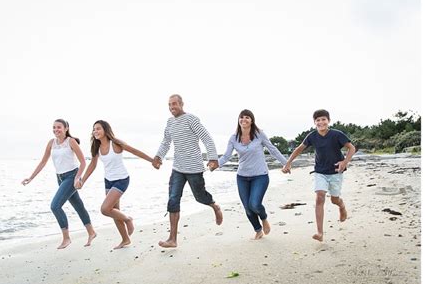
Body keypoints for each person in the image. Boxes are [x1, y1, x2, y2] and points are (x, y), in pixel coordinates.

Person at [152, 94, 223, 248]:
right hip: (177, 168)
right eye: (169, 105)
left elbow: (207, 138)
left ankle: (214, 205)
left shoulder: (191, 119)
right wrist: (158, 156)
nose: (172, 107)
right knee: (173, 200)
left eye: (175, 104)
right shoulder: (170, 122)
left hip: (194, 167)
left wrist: (213, 159)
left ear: (182, 104)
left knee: (200, 197)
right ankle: (172, 239)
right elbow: (166, 142)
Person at [78, 120, 154, 249]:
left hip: (122, 179)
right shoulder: (97, 147)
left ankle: (128, 219)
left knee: (105, 209)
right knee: (114, 211)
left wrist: (152, 161)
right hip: (108, 181)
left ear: (105, 130)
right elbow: (92, 165)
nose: (95, 131)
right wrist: (82, 180)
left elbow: (134, 151)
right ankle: (125, 239)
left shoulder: (116, 143)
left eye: (98, 129)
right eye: (94, 129)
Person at [212, 109, 288, 240]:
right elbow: (226, 156)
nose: (244, 120)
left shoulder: (259, 135)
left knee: (254, 204)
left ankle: (264, 218)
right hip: (242, 177)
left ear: (252, 121)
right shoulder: (233, 138)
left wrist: (286, 163)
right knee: (247, 208)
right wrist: (216, 164)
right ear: (238, 120)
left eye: (247, 117)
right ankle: (258, 230)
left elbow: (272, 149)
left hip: (260, 175)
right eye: (241, 117)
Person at [282, 109, 356, 242]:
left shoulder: (337, 134)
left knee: (334, 199)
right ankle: (320, 233)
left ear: (328, 121)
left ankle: (342, 206)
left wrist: (345, 162)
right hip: (320, 172)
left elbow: (352, 148)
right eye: (318, 120)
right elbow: (299, 149)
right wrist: (288, 163)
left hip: (335, 172)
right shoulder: (312, 136)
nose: (321, 122)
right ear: (314, 122)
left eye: (323, 119)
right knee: (320, 197)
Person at [22, 119, 97, 249]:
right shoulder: (51, 143)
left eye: (59, 127)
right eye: (54, 127)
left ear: (66, 128)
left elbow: (83, 162)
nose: (56, 130)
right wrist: (31, 178)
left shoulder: (71, 142)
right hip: (60, 178)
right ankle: (91, 232)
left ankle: (66, 238)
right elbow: (43, 162)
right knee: (78, 205)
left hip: (71, 176)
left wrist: (77, 178)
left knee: (55, 206)